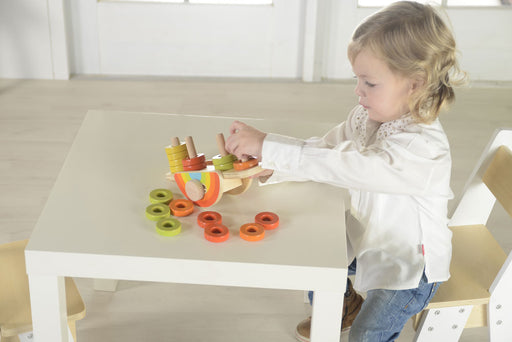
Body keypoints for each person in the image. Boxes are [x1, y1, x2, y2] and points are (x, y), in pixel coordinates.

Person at [225, 1, 466, 341]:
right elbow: (326, 150)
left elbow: (346, 166)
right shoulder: (368, 116)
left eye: (369, 83)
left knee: (367, 335)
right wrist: (269, 162)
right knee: (312, 250)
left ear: (415, 84)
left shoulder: (421, 148)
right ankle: (343, 305)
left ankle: (354, 315)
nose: (358, 91)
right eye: (358, 80)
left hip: (410, 269)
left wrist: (270, 147)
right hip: (370, 241)